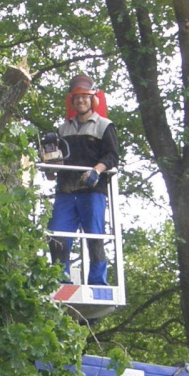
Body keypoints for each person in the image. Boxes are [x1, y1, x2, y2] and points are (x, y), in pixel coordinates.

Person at [48, 73, 120, 285]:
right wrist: (50, 167)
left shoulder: (104, 125)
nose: (80, 101)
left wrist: (97, 170)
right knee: (57, 235)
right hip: (66, 191)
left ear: (92, 99)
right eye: (77, 97)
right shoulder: (62, 129)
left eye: (84, 97)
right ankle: (60, 279)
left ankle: (98, 282)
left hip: (92, 191)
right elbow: (57, 160)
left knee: (95, 237)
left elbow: (112, 156)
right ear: (72, 101)